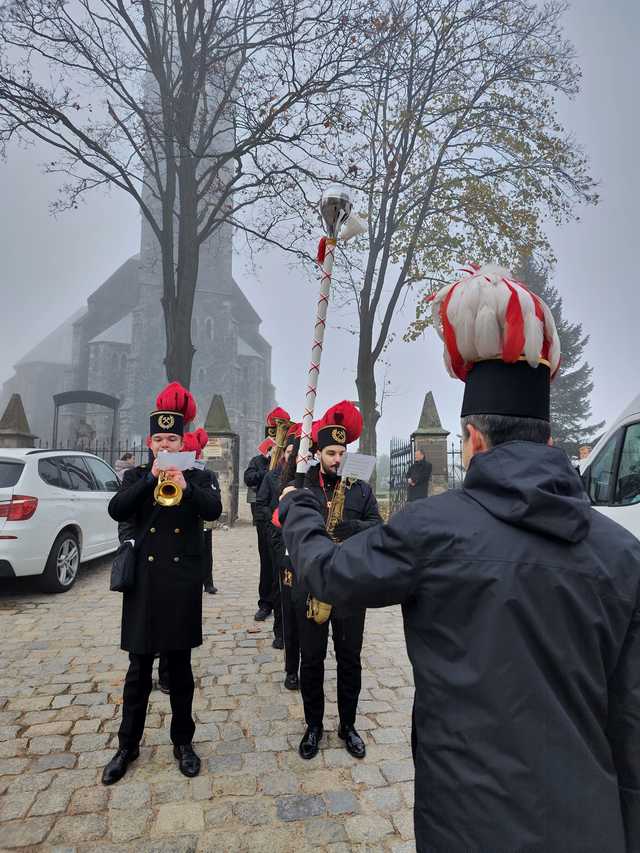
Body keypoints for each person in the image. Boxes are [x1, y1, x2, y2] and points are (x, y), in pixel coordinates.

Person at [279, 264, 640, 853]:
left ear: (471, 439)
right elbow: (631, 729)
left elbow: (328, 574)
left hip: (465, 827)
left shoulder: (431, 530)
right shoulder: (625, 555)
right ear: (548, 440)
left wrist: (298, 509)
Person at [102, 404, 222, 785]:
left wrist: (186, 489)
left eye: (172, 438)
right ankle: (127, 746)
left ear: (182, 440)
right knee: (138, 671)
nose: (165, 444)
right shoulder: (137, 475)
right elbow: (116, 509)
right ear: (150, 443)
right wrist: (148, 479)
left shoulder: (197, 475)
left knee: (181, 670)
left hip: (181, 582)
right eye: (159, 439)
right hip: (146, 583)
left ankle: (183, 743)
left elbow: (215, 510)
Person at [292, 401, 382, 761]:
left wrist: (352, 528)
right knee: (311, 660)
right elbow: (290, 527)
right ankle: (313, 725)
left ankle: (348, 725)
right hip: (313, 584)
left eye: (342, 452)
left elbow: (378, 525)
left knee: (350, 660)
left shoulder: (359, 489)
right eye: (330, 452)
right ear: (317, 453)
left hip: (349, 585)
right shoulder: (305, 486)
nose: (337, 458)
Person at [244, 406, 289, 621]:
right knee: (267, 561)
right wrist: (267, 470)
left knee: (282, 561)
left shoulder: (289, 462)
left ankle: (282, 600)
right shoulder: (258, 460)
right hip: (264, 517)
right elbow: (249, 478)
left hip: (283, 518)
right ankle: (265, 602)